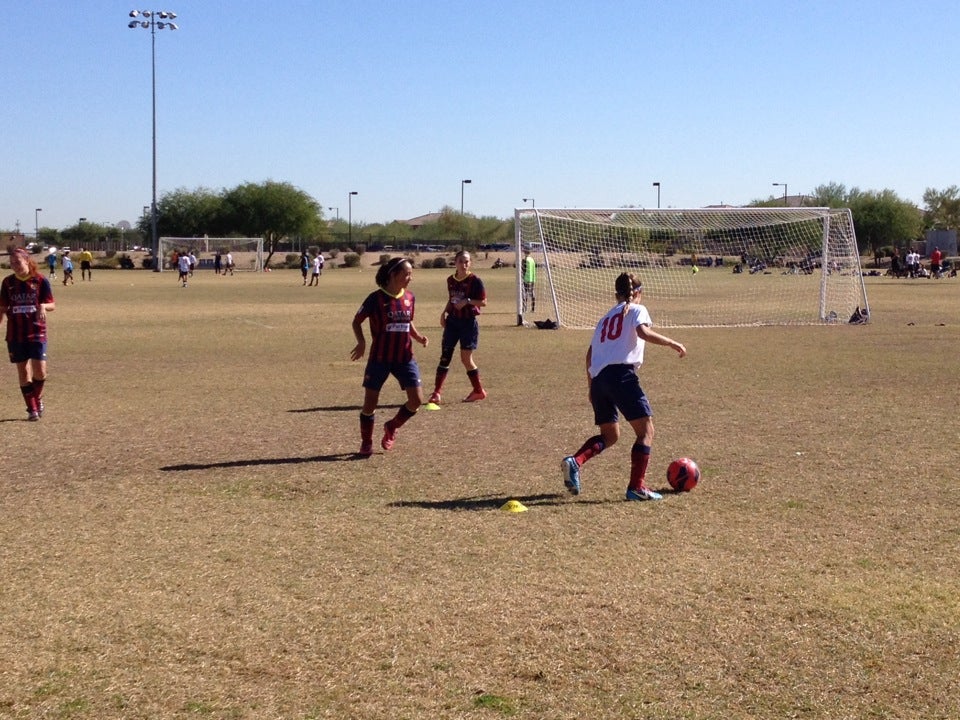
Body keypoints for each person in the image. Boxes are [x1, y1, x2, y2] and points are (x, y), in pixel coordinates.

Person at [561, 272, 687, 502]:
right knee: (646, 431)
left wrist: (591, 388)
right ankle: (636, 488)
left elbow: (589, 355)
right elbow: (642, 332)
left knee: (610, 435)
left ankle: (575, 461)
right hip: (621, 376)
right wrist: (672, 342)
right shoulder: (638, 309)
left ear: (615, 294)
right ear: (638, 293)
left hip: (599, 380)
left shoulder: (604, 319)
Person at [350, 257, 429, 456]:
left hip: (405, 357)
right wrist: (361, 342)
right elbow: (356, 321)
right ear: (393, 275)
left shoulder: (410, 297)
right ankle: (366, 442)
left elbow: (408, 321)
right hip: (380, 358)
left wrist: (418, 336)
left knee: (417, 400)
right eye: (406, 274)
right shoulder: (375, 299)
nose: (410, 278)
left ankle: (392, 426)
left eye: (411, 274)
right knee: (370, 404)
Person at [0, 247, 55, 421]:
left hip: (37, 331)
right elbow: (2, 308)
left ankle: (36, 399)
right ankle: (32, 409)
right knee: (23, 372)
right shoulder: (7, 283)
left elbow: (52, 304)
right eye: (12, 263)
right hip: (15, 334)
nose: (14, 265)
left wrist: (43, 306)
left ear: (27, 260)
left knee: (40, 372)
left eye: (18, 262)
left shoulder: (40, 280)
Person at [427, 250, 487, 404]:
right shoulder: (450, 280)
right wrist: (444, 313)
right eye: (461, 261)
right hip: (452, 322)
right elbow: (451, 299)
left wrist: (467, 300)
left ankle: (478, 390)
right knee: (445, 356)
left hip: (468, 323)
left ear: (470, 263)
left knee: (466, 358)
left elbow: (483, 302)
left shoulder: (475, 280)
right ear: (455, 263)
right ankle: (436, 393)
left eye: (467, 261)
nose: (464, 264)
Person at [522, 247, 536, 312]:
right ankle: (533, 308)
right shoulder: (532, 260)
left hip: (526, 279)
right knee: (532, 293)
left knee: (525, 294)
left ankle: (524, 308)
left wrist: (522, 277)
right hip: (532, 279)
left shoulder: (525, 260)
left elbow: (523, 270)